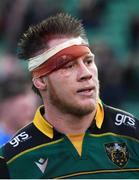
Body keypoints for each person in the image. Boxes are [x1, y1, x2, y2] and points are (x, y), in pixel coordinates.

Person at [0, 13, 139, 179]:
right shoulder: (11, 161)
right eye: (68, 66)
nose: (86, 74)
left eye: (88, 61)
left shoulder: (134, 136)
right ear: (40, 81)